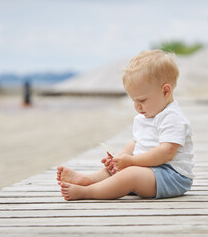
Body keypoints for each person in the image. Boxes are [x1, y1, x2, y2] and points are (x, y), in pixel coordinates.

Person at [56, 49, 194, 201]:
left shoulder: (172, 117)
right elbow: (136, 143)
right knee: (116, 170)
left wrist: (132, 162)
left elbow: (166, 151)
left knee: (130, 174)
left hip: (171, 176)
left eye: (142, 100)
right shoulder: (146, 116)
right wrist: (121, 157)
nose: (137, 106)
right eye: (133, 100)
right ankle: (88, 180)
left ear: (165, 91)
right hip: (148, 170)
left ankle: (87, 192)